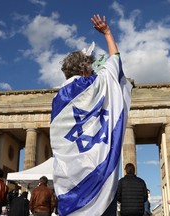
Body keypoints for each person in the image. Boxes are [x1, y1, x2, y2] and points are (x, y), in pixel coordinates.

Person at [50, 14, 132, 215]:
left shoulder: (58, 99)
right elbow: (115, 60)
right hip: (100, 172)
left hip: (71, 178)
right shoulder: (98, 84)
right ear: (86, 69)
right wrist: (107, 33)